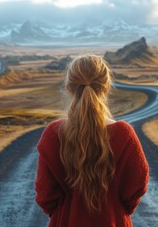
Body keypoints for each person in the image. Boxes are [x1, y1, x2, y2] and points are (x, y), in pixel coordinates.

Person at [35, 54, 149, 227]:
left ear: (69, 87)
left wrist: (63, 213)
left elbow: (45, 196)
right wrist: (116, 209)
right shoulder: (124, 134)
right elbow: (137, 186)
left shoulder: (53, 133)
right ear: (106, 87)